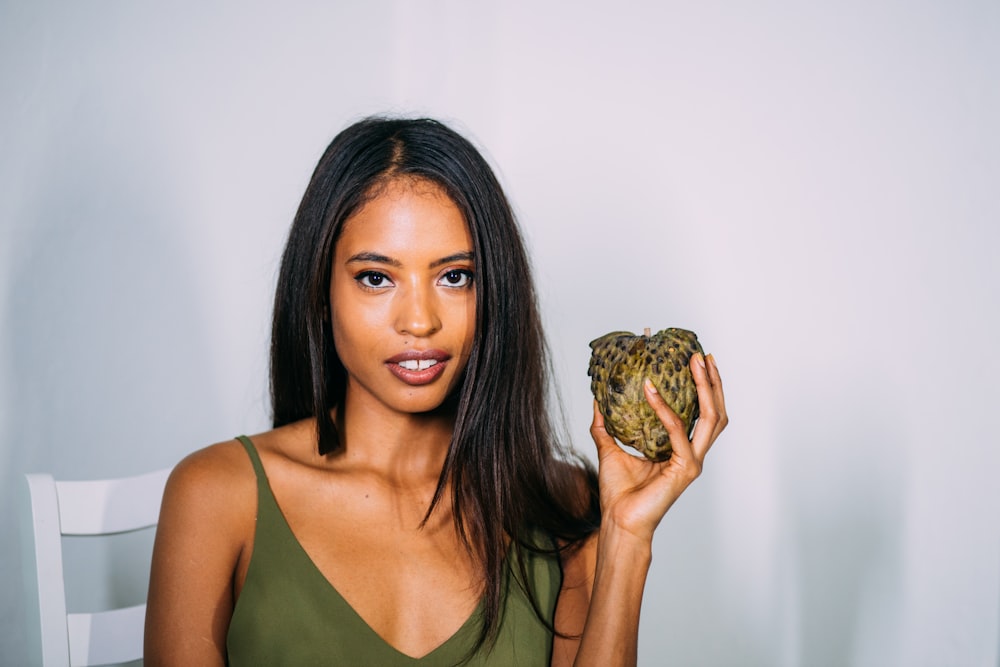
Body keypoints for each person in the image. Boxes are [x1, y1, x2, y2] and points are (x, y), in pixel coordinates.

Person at [144, 116, 727, 666]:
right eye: (376, 278)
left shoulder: (569, 507)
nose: (419, 320)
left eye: (455, 276)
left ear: (492, 291)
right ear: (320, 292)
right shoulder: (218, 496)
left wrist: (626, 535)